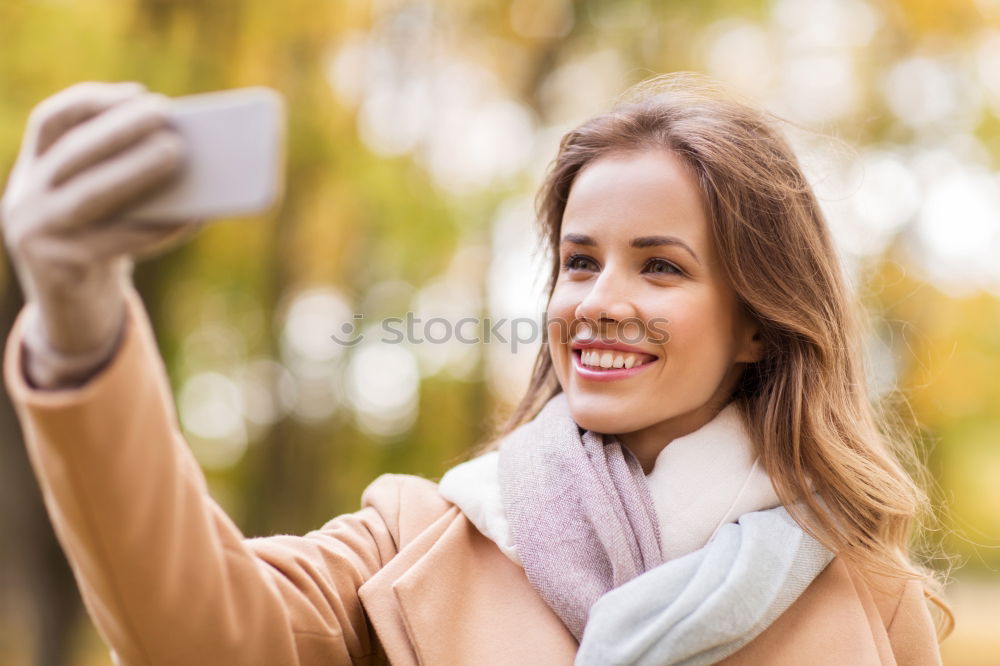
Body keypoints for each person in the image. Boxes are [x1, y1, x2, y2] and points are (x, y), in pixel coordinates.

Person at [0, 78, 952, 665]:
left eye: (659, 265)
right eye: (580, 260)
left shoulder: (869, 600)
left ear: (758, 324)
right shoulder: (422, 542)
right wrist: (82, 329)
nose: (598, 301)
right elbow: (194, 634)